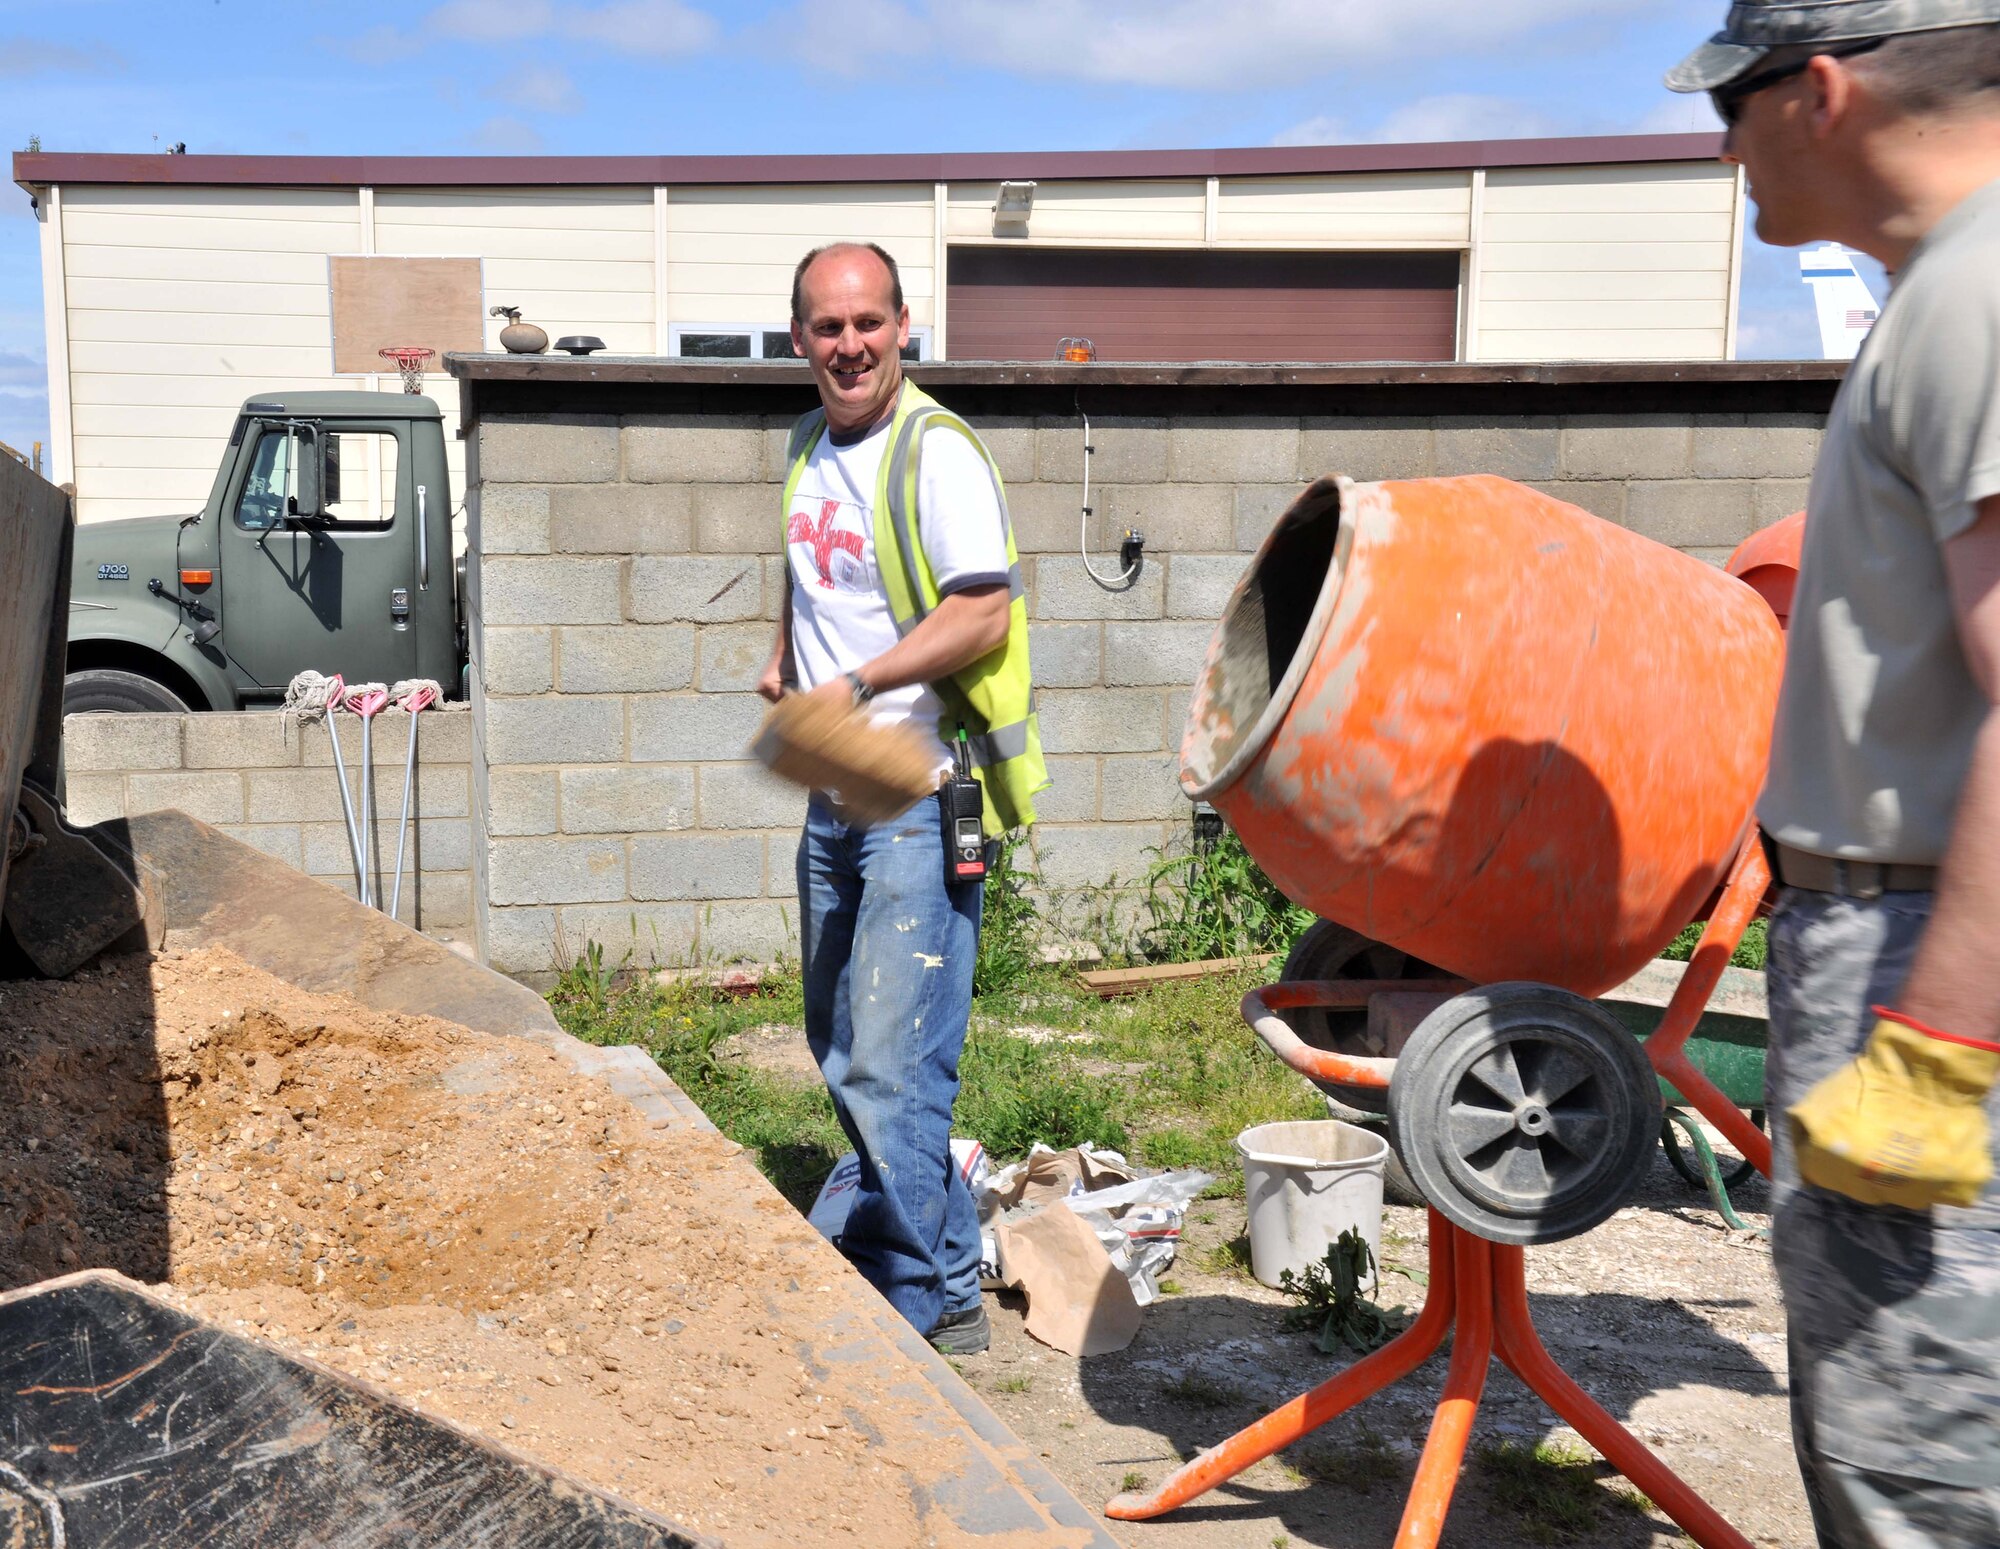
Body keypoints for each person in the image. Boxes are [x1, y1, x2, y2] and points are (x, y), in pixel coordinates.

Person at [1667, 5, 2000, 1544]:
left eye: (1734, 102)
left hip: (1924, 949)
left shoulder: (1976, 298)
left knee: (1920, 1471)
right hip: (1900, 929)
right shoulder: (1945, 294)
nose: (1721, 143)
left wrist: (1937, 1037)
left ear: (1821, 91)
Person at [757, 241, 1047, 1355]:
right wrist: (783, 658)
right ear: (798, 339)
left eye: (866, 322)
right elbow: (807, 568)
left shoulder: (936, 454)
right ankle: (930, 1253)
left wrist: (862, 681)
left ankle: (925, 1306)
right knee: (835, 1034)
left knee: (897, 1051)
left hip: (921, 794)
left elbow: (981, 612)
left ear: (902, 327)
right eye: (826, 327)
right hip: (838, 790)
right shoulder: (805, 445)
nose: (849, 344)